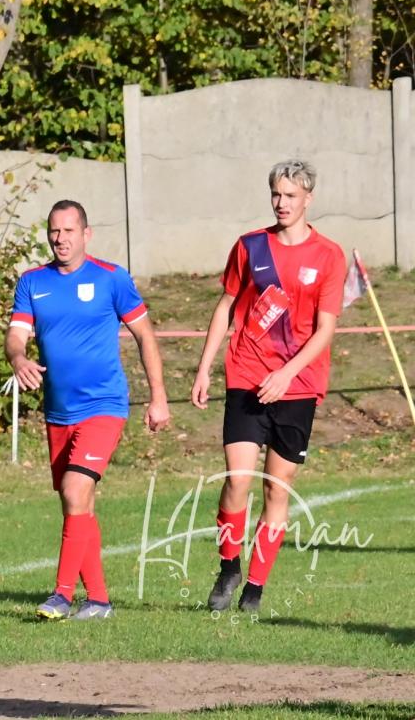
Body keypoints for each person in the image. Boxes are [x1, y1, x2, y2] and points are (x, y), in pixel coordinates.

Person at [191, 160, 346, 614]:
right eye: (276, 194)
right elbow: (226, 306)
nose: (281, 203)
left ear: (308, 199)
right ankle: (228, 567)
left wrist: (287, 373)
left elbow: (325, 329)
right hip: (246, 376)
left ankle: (255, 588)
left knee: (277, 490)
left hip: (298, 387)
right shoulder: (250, 246)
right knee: (238, 479)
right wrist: (204, 368)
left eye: (290, 195)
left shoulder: (328, 255)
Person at [7, 200, 170, 621]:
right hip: (58, 412)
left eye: (68, 231)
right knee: (78, 506)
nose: (60, 239)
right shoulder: (32, 282)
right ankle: (98, 601)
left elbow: (145, 336)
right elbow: (16, 335)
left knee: (75, 490)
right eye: (54, 231)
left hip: (104, 406)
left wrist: (158, 397)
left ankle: (62, 594)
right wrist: (19, 359)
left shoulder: (111, 278)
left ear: (86, 234)